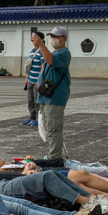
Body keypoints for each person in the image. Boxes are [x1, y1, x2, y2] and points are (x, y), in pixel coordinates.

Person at [34, 26, 71, 159]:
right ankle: (52, 155)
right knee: (48, 128)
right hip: (46, 96)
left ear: (64, 39)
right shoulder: (54, 53)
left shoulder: (64, 53)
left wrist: (41, 45)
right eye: (51, 36)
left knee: (54, 128)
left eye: (56, 36)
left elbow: (51, 61)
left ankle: (54, 158)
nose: (52, 39)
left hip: (54, 97)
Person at [23, 32, 45, 127]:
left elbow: (43, 66)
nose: (33, 39)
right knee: (30, 100)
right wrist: (26, 78)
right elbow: (29, 66)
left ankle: (38, 119)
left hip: (36, 80)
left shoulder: (42, 51)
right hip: (30, 79)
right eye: (32, 38)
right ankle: (32, 118)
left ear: (41, 39)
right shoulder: (32, 51)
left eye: (35, 38)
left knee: (37, 101)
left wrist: (39, 80)